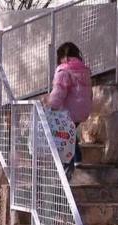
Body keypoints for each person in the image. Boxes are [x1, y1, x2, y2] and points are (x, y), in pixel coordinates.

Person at [45, 42, 93, 179]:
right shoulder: (84, 70)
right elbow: (89, 93)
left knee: (67, 138)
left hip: (69, 111)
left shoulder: (64, 71)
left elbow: (59, 93)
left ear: (62, 56)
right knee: (71, 133)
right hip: (83, 110)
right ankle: (78, 158)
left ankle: (69, 168)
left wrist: (51, 106)